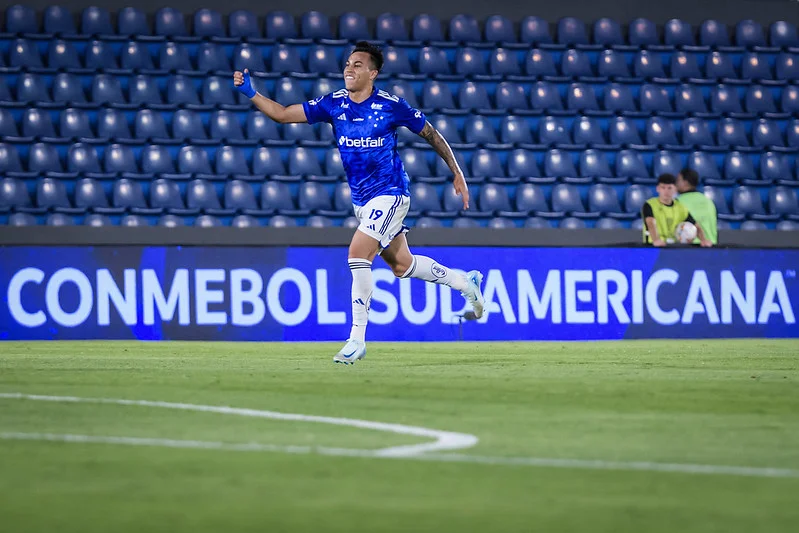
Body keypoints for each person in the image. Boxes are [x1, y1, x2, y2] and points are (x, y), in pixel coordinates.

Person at [233, 41, 485, 364]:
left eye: (357, 65)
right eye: (348, 64)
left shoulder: (391, 106)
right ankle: (466, 282)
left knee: (356, 252)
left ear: (373, 73)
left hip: (392, 194)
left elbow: (432, 134)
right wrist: (252, 93)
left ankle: (356, 339)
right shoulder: (334, 104)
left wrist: (457, 172)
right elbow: (283, 115)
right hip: (363, 203)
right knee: (402, 266)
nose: (348, 69)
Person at [642, 174, 713, 247]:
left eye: (669, 188)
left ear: (675, 189)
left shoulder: (680, 207)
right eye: (663, 188)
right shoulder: (650, 204)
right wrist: (656, 240)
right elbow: (650, 223)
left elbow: (696, 225)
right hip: (653, 248)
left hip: (672, 247)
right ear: (658, 189)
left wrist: (703, 240)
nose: (666, 191)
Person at [675, 168, 718, 245]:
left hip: (691, 249)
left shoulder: (677, 202)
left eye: (678, 180)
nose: (676, 183)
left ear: (685, 182)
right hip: (712, 247)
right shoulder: (709, 201)